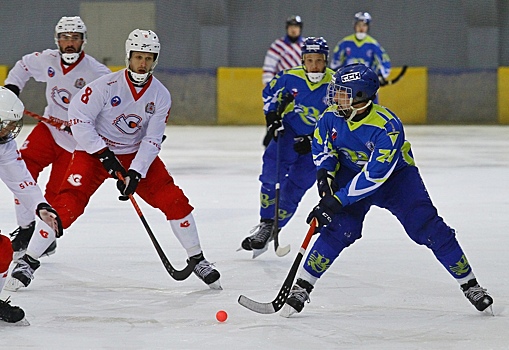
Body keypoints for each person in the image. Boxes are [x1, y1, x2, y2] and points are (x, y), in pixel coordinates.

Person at [8, 29, 221, 291]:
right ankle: (28, 262)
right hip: (93, 154)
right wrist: (104, 154)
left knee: (173, 199)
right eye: (138, 57)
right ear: (129, 56)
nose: (143, 63)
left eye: (148, 58)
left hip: (132, 154)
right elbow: (79, 117)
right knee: (66, 205)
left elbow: (153, 139)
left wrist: (136, 172)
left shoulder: (160, 95)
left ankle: (197, 258)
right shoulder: (106, 85)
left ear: (155, 60)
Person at [280, 63, 493, 317]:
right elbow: (323, 147)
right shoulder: (330, 117)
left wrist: (337, 201)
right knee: (340, 229)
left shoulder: (387, 126)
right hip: (351, 173)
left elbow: (374, 175)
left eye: (342, 92)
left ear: (360, 97)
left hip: (396, 179)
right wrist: (325, 181)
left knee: (427, 227)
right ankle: (302, 286)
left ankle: (470, 284)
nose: (335, 97)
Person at [3, 16, 111, 260]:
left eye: (75, 38)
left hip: (76, 145)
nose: (69, 43)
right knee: (23, 171)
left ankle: (44, 237)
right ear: (57, 40)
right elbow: (22, 67)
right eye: (64, 38)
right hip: (49, 130)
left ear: (83, 41)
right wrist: (11, 91)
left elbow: (116, 104)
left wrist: (87, 125)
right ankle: (27, 228)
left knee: (54, 197)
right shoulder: (48, 60)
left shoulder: (96, 72)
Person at [240, 37, 335, 258]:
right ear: (302, 60)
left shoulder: (335, 85)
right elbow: (269, 95)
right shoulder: (289, 77)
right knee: (271, 176)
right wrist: (272, 118)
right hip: (289, 133)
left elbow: (342, 121)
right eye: (309, 60)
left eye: (319, 61)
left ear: (326, 61)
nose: (314, 66)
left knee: (296, 189)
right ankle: (265, 224)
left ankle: (275, 227)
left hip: (319, 146)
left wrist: (313, 140)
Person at [0, 87, 63, 324]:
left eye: (12, 125)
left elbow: (21, 179)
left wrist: (40, 207)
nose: (8, 131)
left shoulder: (3, 144)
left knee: (3, 249)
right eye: (5, 123)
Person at [329, 11, 391, 101]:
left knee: (372, 109)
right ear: (354, 26)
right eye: (359, 25)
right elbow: (335, 63)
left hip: (367, 84)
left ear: (368, 27)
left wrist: (381, 76)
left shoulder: (373, 44)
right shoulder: (345, 43)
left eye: (364, 25)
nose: (361, 28)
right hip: (347, 84)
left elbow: (385, 62)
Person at [262, 15, 304, 85]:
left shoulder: (305, 46)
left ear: (300, 29)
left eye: (296, 27)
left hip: (301, 86)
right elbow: (268, 67)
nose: (293, 30)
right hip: (282, 86)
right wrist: (270, 85)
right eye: (291, 27)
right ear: (287, 28)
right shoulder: (277, 46)